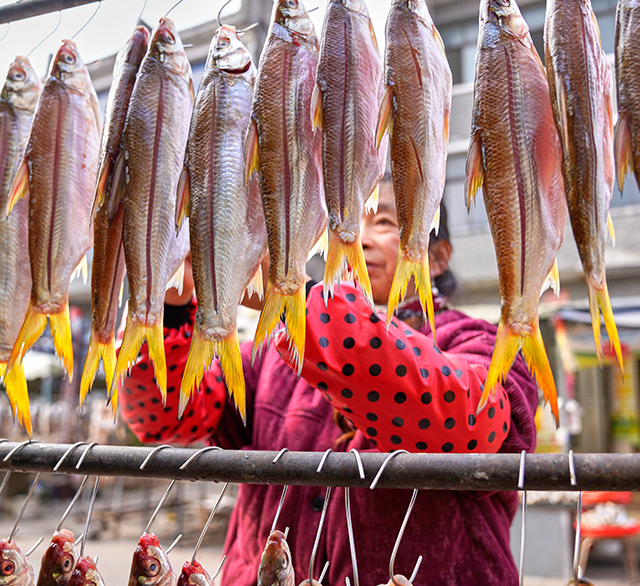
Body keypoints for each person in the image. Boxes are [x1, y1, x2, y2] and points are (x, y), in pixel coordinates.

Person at [120, 179, 540, 586]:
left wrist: (290, 298)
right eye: (348, 223)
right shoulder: (271, 354)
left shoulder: (487, 346)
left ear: (437, 257)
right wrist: (173, 305)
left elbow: (468, 424)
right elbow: (165, 416)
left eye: (385, 222)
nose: (361, 239)